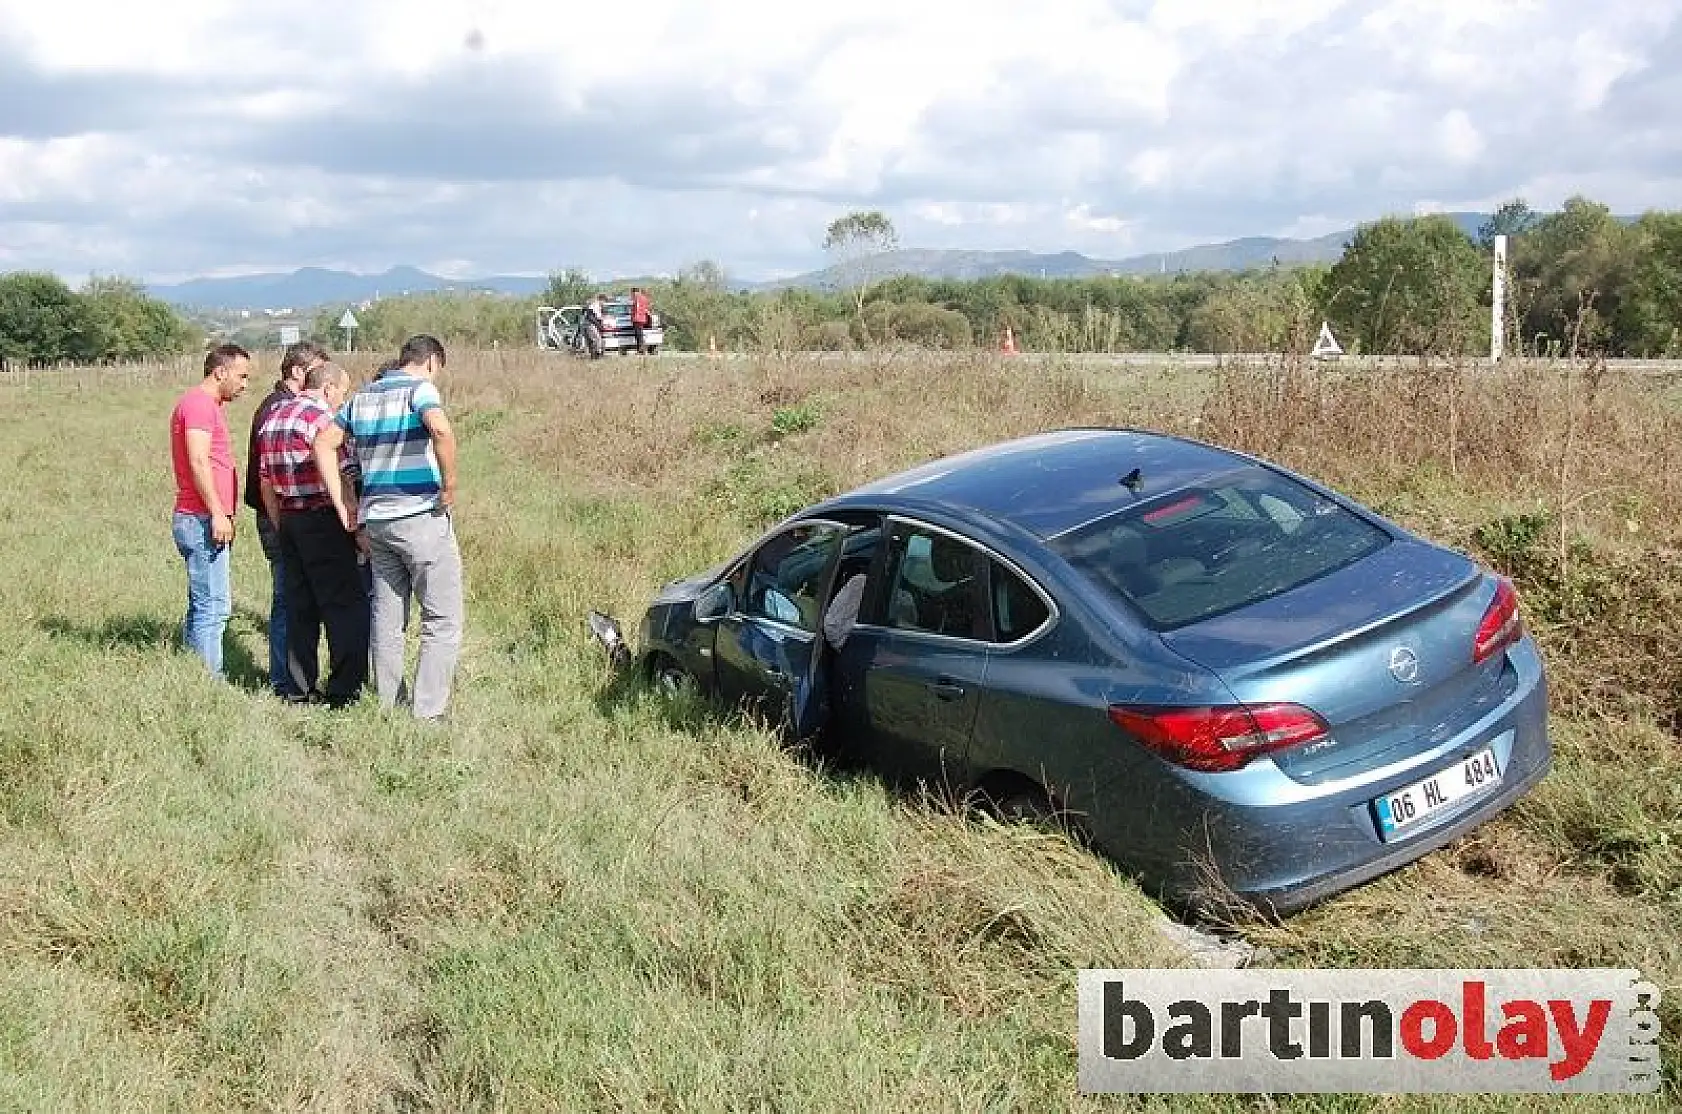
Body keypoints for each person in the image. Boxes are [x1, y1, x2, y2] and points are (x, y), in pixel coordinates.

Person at [315, 335, 462, 722]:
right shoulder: (419, 390)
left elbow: (323, 443)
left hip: (378, 522)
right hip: (420, 516)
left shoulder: (361, 398)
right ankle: (428, 712)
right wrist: (449, 486)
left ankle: (388, 704)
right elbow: (441, 430)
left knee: (388, 618)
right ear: (431, 362)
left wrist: (345, 503)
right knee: (441, 618)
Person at [257, 361, 369, 709]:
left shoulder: (273, 417)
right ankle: (344, 690)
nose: (342, 400)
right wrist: (352, 520)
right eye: (342, 393)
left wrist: (280, 523)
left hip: (289, 518)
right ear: (328, 388)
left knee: (299, 607)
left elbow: (265, 482)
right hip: (323, 517)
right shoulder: (322, 419)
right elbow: (343, 472)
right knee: (343, 605)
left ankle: (299, 687)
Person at [244, 340, 328, 700]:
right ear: (297, 371)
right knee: (289, 600)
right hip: (281, 516)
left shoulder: (275, 406)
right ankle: (284, 681)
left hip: (281, 515)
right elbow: (266, 478)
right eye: (316, 370)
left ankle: (291, 680)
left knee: (293, 598)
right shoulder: (279, 409)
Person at [169, 343, 252, 678]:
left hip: (201, 515)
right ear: (220, 372)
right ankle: (208, 681)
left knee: (202, 602)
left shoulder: (204, 405)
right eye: (241, 376)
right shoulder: (200, 405)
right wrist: (217, 512)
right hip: (201, 517)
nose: (244, 384)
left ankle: (194, 674)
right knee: (214, 606)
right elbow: (198, 459)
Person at [582, 293, 607, 358]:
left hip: (591, 324)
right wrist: (598, 325)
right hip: (590, 324)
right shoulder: (595, 305)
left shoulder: (598, 306)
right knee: (596, 339)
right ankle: (596, 355)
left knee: (595, 340)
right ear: (601, 300)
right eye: (604, 301)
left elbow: (599, 316)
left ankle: (595, 355)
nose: (604, 303)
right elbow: (591, 316)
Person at [629, 286, 653, 355]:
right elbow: (646, 309)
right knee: (640, 334)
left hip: (637, 319)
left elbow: (637, 308)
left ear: (635, 292)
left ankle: (640, 350)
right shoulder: (644, 298)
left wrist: (634, 317)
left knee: (638, 335)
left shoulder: (637, 298)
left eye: (632, 293)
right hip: (642, 318)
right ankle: (641, 349)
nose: (632, 295)